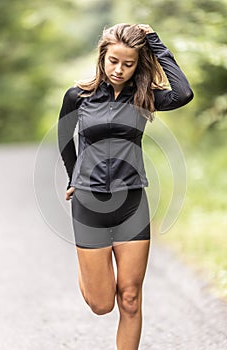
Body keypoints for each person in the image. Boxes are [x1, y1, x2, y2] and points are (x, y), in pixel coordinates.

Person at [58, 23, 193, 350]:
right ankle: (89, 271)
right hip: (89, 205)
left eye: (128, 63)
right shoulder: (79, 95)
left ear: (137, 63)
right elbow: (65, 139)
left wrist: (155, 42)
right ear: (102, 57)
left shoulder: (144, 97)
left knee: (130, 299)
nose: (119, 69)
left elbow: (183, 93)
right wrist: (74, 177)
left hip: (132, 203)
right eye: (113, 61)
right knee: (102, 304)